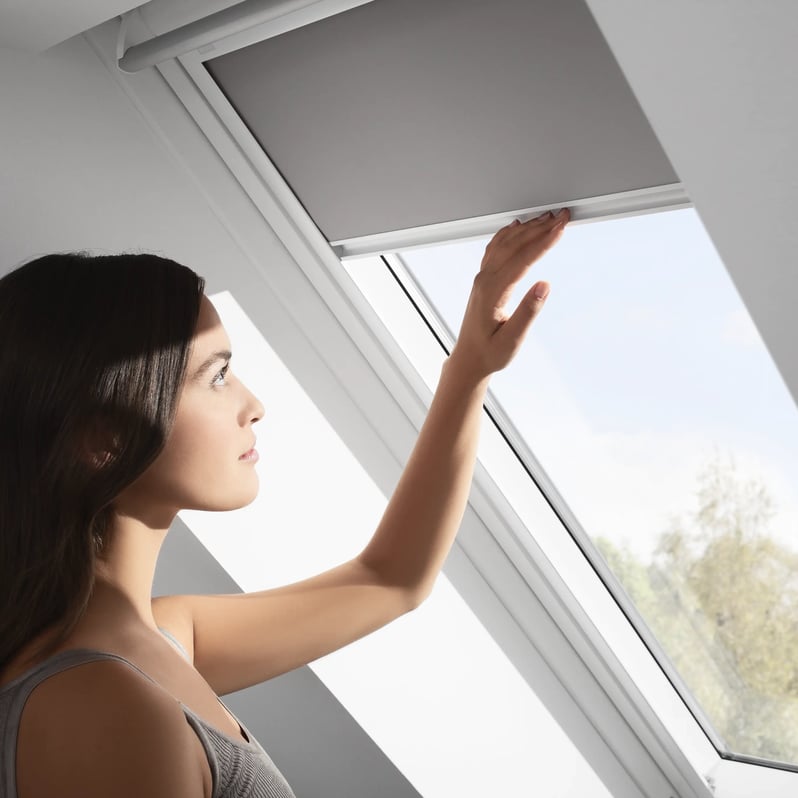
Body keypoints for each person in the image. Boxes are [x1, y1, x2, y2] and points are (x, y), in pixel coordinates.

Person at [0, 208, 570, 798]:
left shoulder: (156, 637)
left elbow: (391, 580)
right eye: (217, 376)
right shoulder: (97, 705)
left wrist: (471, 366)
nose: (255, 405)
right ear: (104, 439)